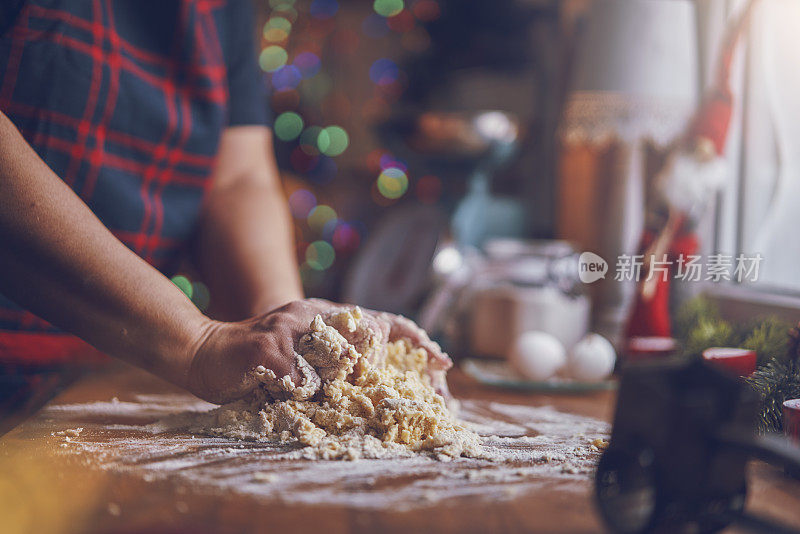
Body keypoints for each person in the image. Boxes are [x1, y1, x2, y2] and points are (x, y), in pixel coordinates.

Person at [0, 0, 447, 407]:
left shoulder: (222, 10)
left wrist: (291, 340)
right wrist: (198, 342)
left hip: (123, 368)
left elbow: (238, 177)